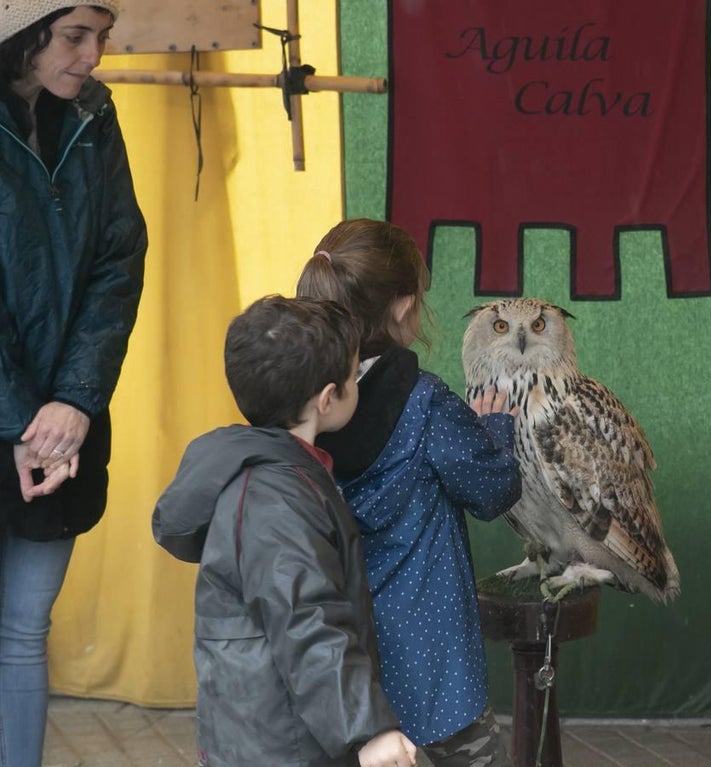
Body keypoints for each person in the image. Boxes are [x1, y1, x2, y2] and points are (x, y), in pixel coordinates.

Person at [152, 296, 418, 767]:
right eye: (354, 376)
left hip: (275, 727)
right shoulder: (274, 498)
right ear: (327, 398)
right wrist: (368, 729)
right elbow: (307, 618)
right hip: (280, 742)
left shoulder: (280, 473)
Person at [297, 219, 521, 767]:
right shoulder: (425, 404)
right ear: (402, 308)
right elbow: (494, 490)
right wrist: (495, 431)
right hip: (437, 682)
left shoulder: (296, 407)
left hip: (341, 683)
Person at [0, 3, 147, 765]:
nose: (93, 57)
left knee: (25, 628)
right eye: (74, 36)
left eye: (102, 37)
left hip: (64, 424)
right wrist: (29, 415)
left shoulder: (94, 115)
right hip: (30, 421)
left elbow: (119, 262)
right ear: (18, 29)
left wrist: (75, 403)